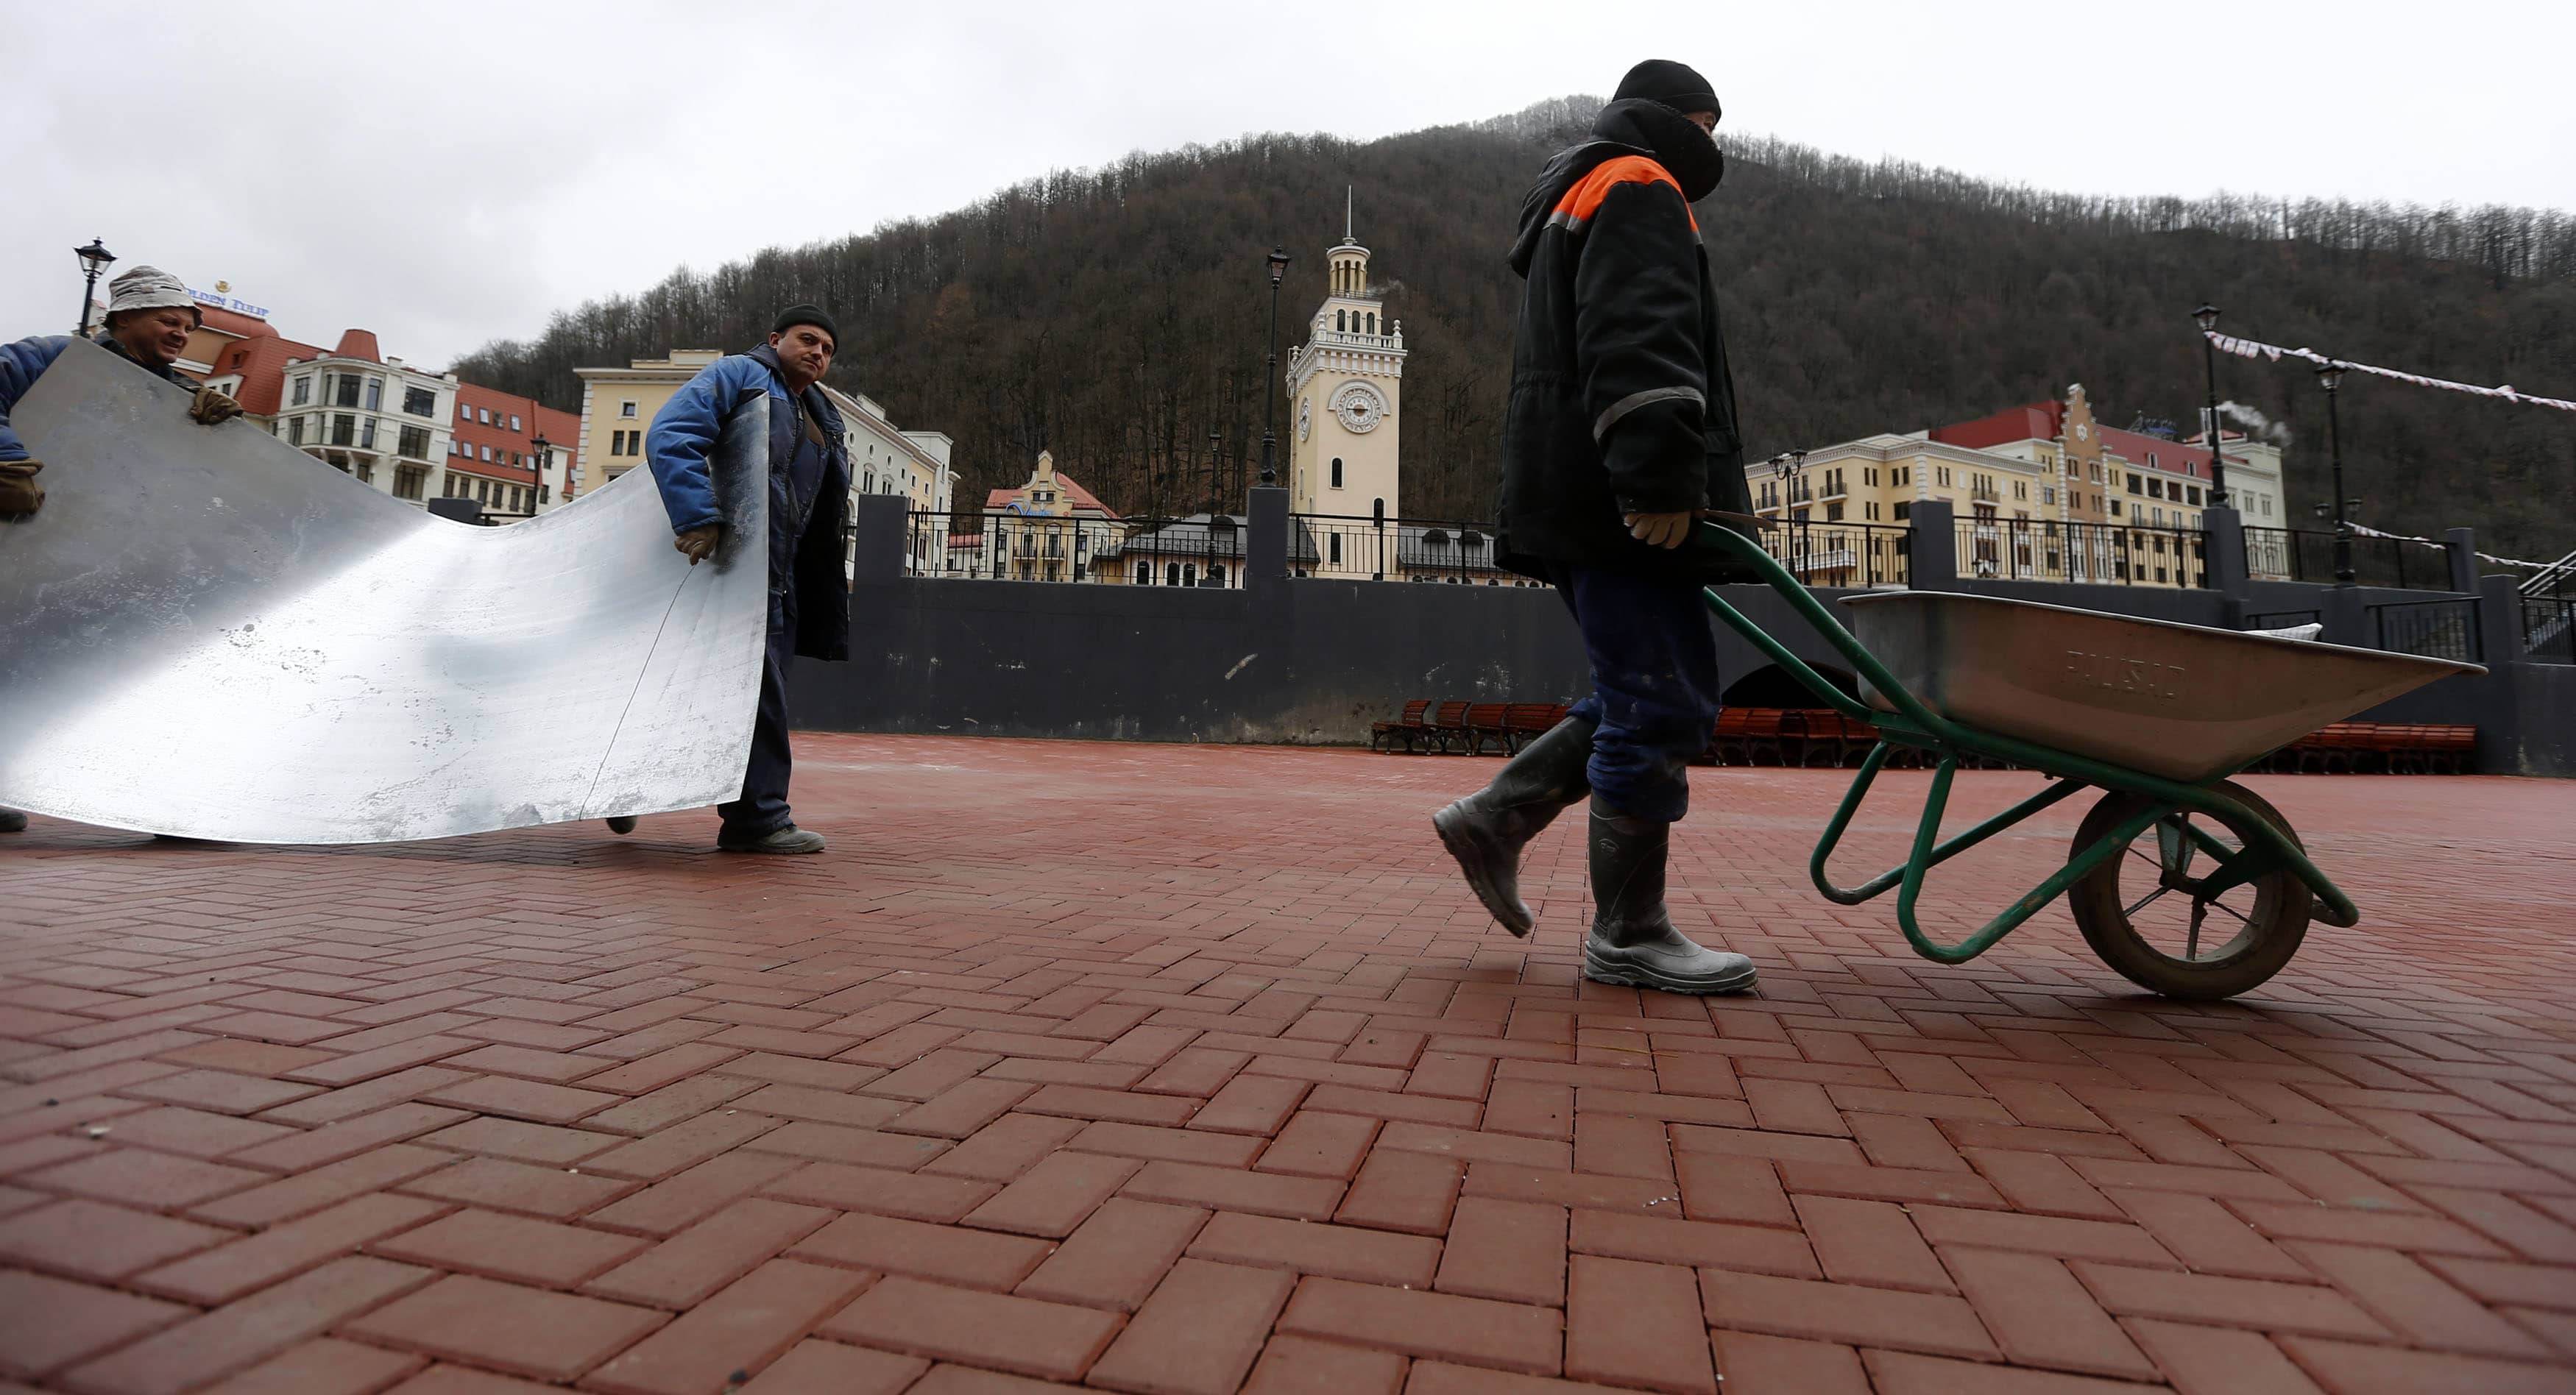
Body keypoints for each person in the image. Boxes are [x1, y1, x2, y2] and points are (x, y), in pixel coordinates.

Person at [1434, 60, 1758, 995]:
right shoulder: (1639, 184)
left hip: (1575, 490)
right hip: (1618, 501)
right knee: (1658, 702)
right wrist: (1655, 479)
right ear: (1686, 120)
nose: (1717, 147)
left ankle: (1495, 817)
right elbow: (1638, 339)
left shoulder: (1582, 188)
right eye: (1712, 127)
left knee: (1657, 690)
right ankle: (1627, 934)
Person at [0, 265, 244, 835]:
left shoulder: (176, 393)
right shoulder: (54, 357)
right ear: (125, 317)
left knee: (131, 672)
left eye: (188, 326)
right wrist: (6, 459)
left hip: (110, 556)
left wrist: (213, 429)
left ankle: (162, 802)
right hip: (27, 539)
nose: (182, 334)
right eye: (169, 320)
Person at [630, 305, 852, 853]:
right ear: (774, 338)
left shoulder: (824, 416)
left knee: (727, 692)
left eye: (827, 349)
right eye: (807, 340)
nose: (817, 353)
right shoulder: (739, 375)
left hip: (782, 577)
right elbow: (673, 433)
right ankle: (758, 819)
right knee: (756, 696)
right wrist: (698, 517)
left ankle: (622, 785)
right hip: (729, 567)